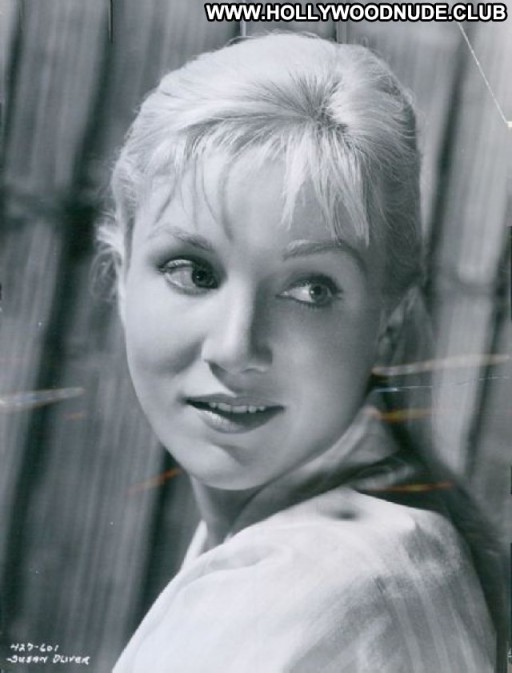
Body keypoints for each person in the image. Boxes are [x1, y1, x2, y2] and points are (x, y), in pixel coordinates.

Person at [98, 33, 503, 673]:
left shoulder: (296, 589)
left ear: (389, 322)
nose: (235, 347)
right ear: (121, 276)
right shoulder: (390, 542)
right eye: (194, 273)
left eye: (310, 289)